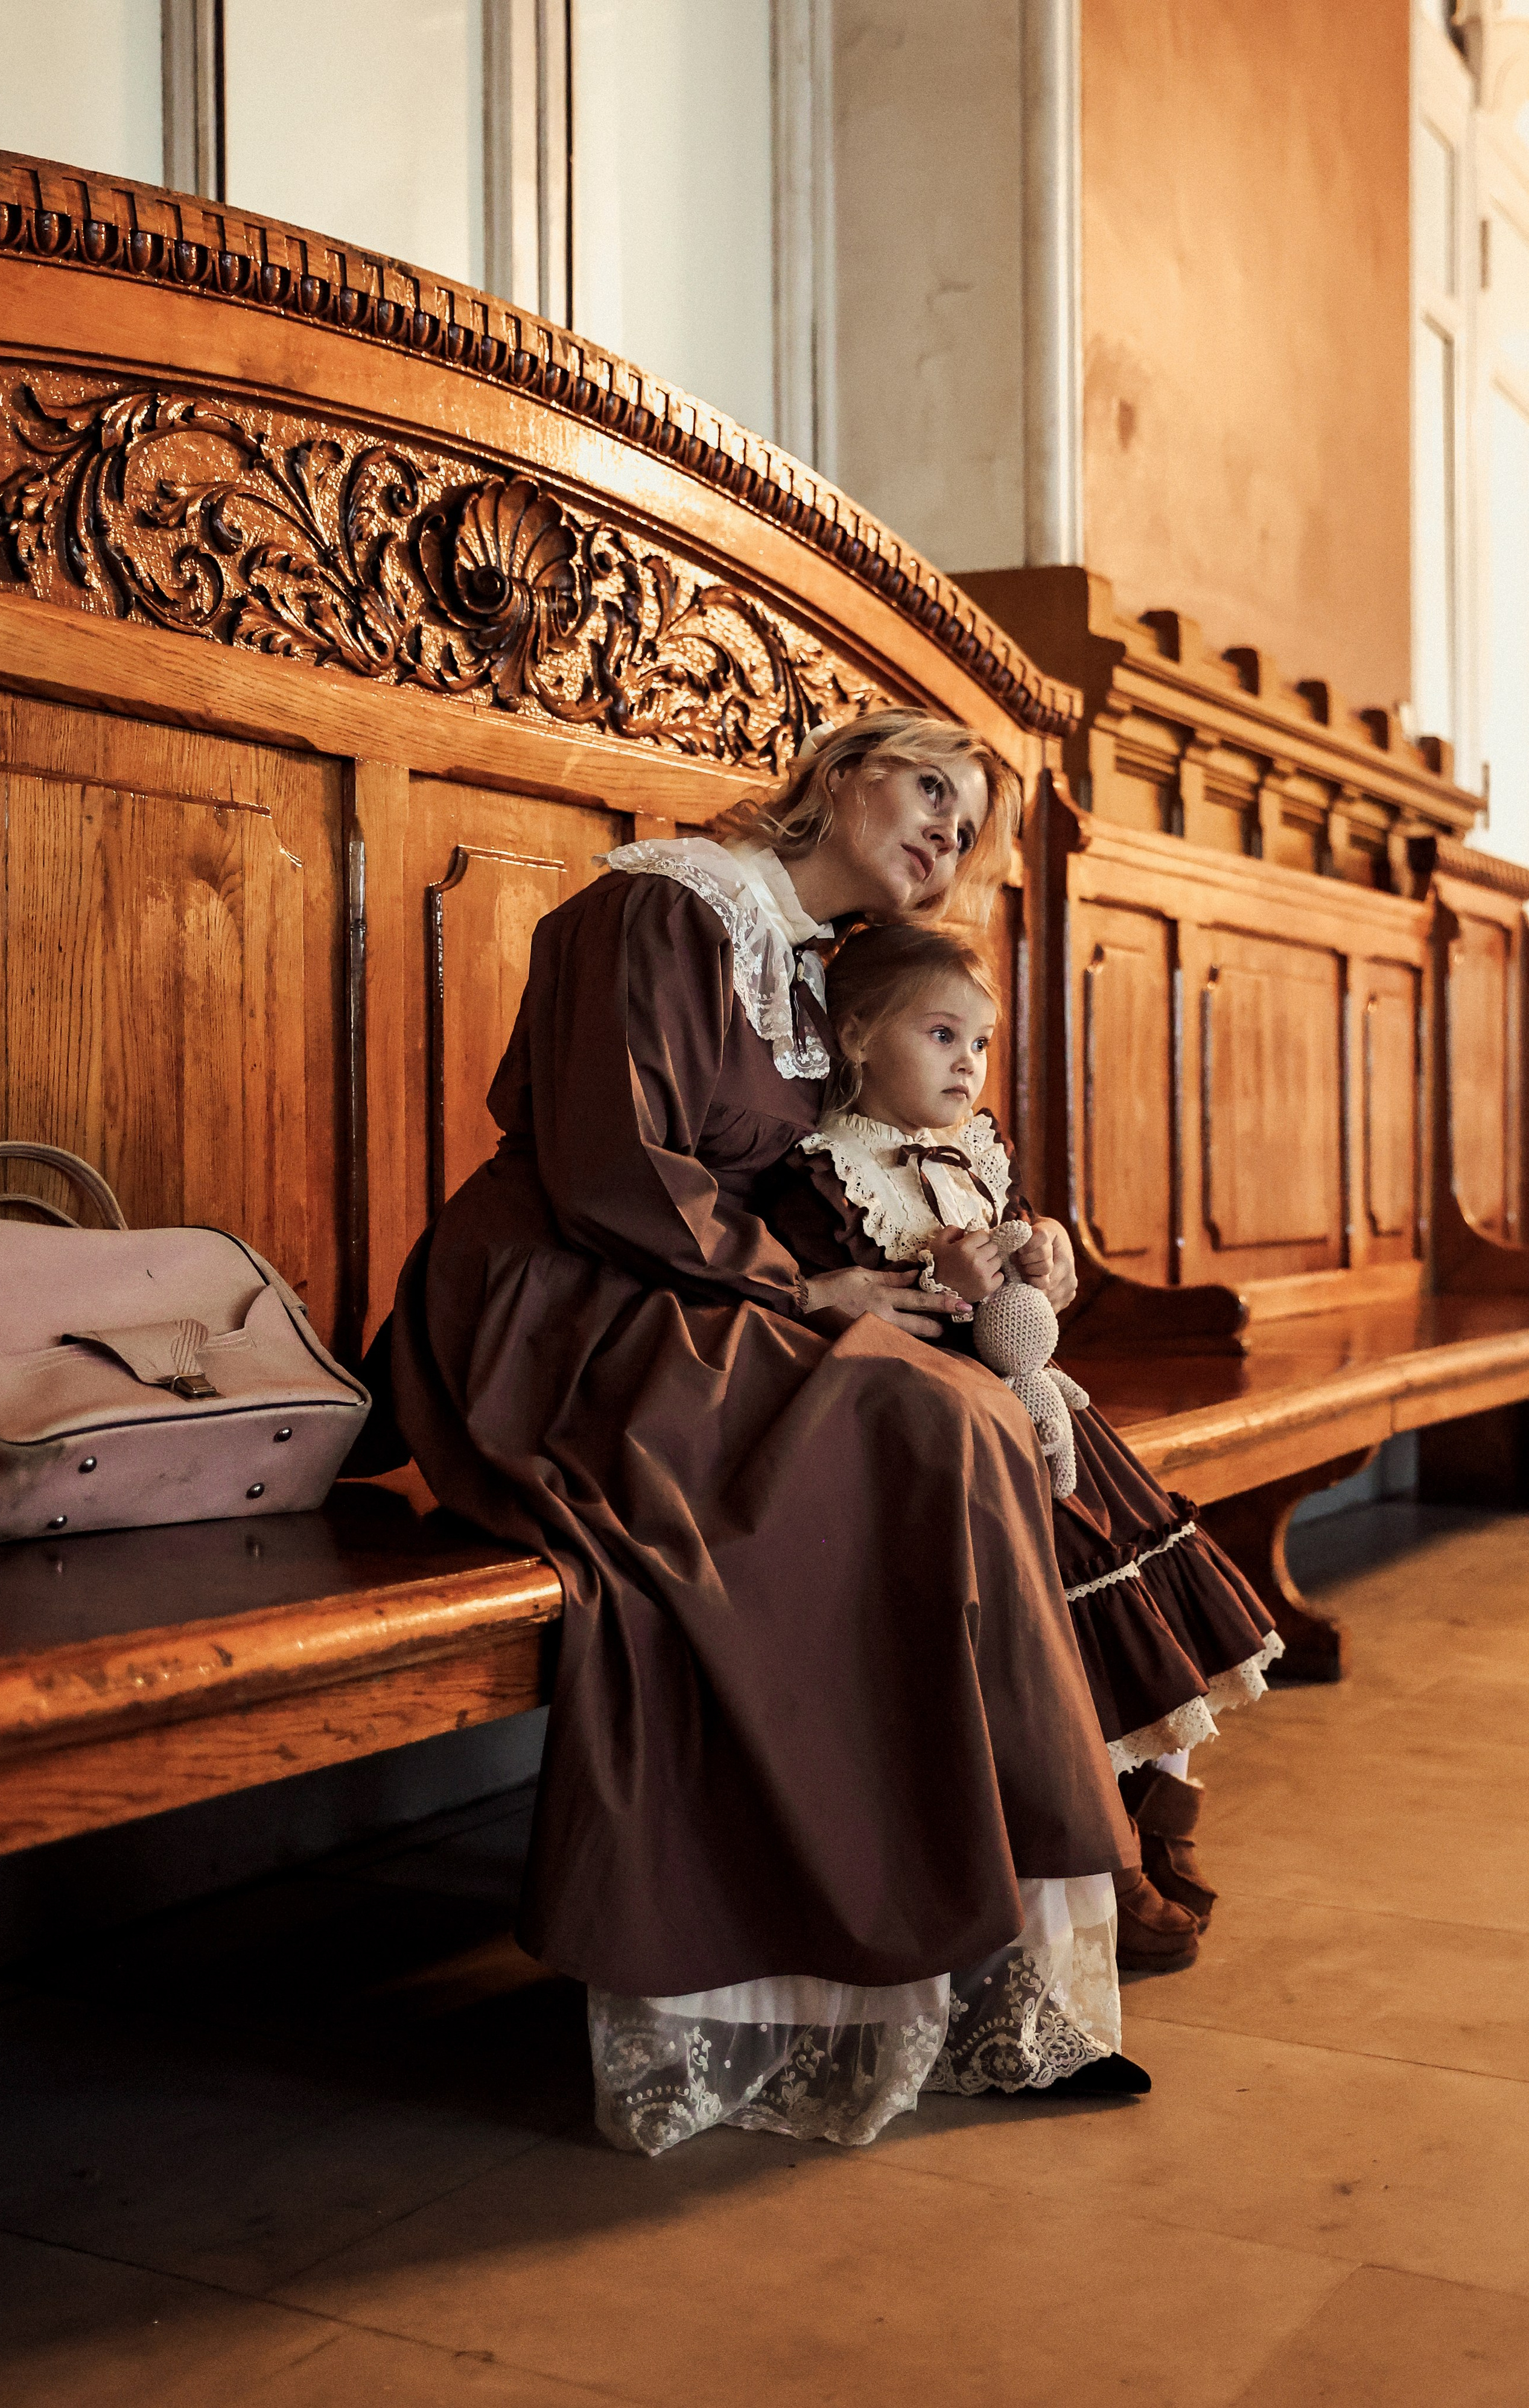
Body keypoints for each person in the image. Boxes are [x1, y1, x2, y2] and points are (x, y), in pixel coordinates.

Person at [386, 710, 1149, 2156]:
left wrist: (962, 1264)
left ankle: (983, 1969)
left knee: (975, 1412)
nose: (946, 831)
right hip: (568, 1300)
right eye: (928, 789)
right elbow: (613, 1163)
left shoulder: (824, 975)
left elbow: (833, 1180)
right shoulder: (661, 905)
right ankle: (805, 1968)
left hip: (711, 1286)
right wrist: (806, 1290)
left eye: (967, 821)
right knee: (920, 1429)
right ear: (832, 775)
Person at [761, 920, 1284, 1975]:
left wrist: (1045, 1255)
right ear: (857, 1034)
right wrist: (947, 1288)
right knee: (1060, 1655)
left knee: (1148, 1609)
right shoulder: (822, 1179)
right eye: (943, 1033)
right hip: (955, 1452)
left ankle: (1162, 1812)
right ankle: (1105, 1862)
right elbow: (824, 1334)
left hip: (1056, 1425)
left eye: (983, 1041)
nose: (969, 1062)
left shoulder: (979, 1151)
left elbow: (1035, 1309)